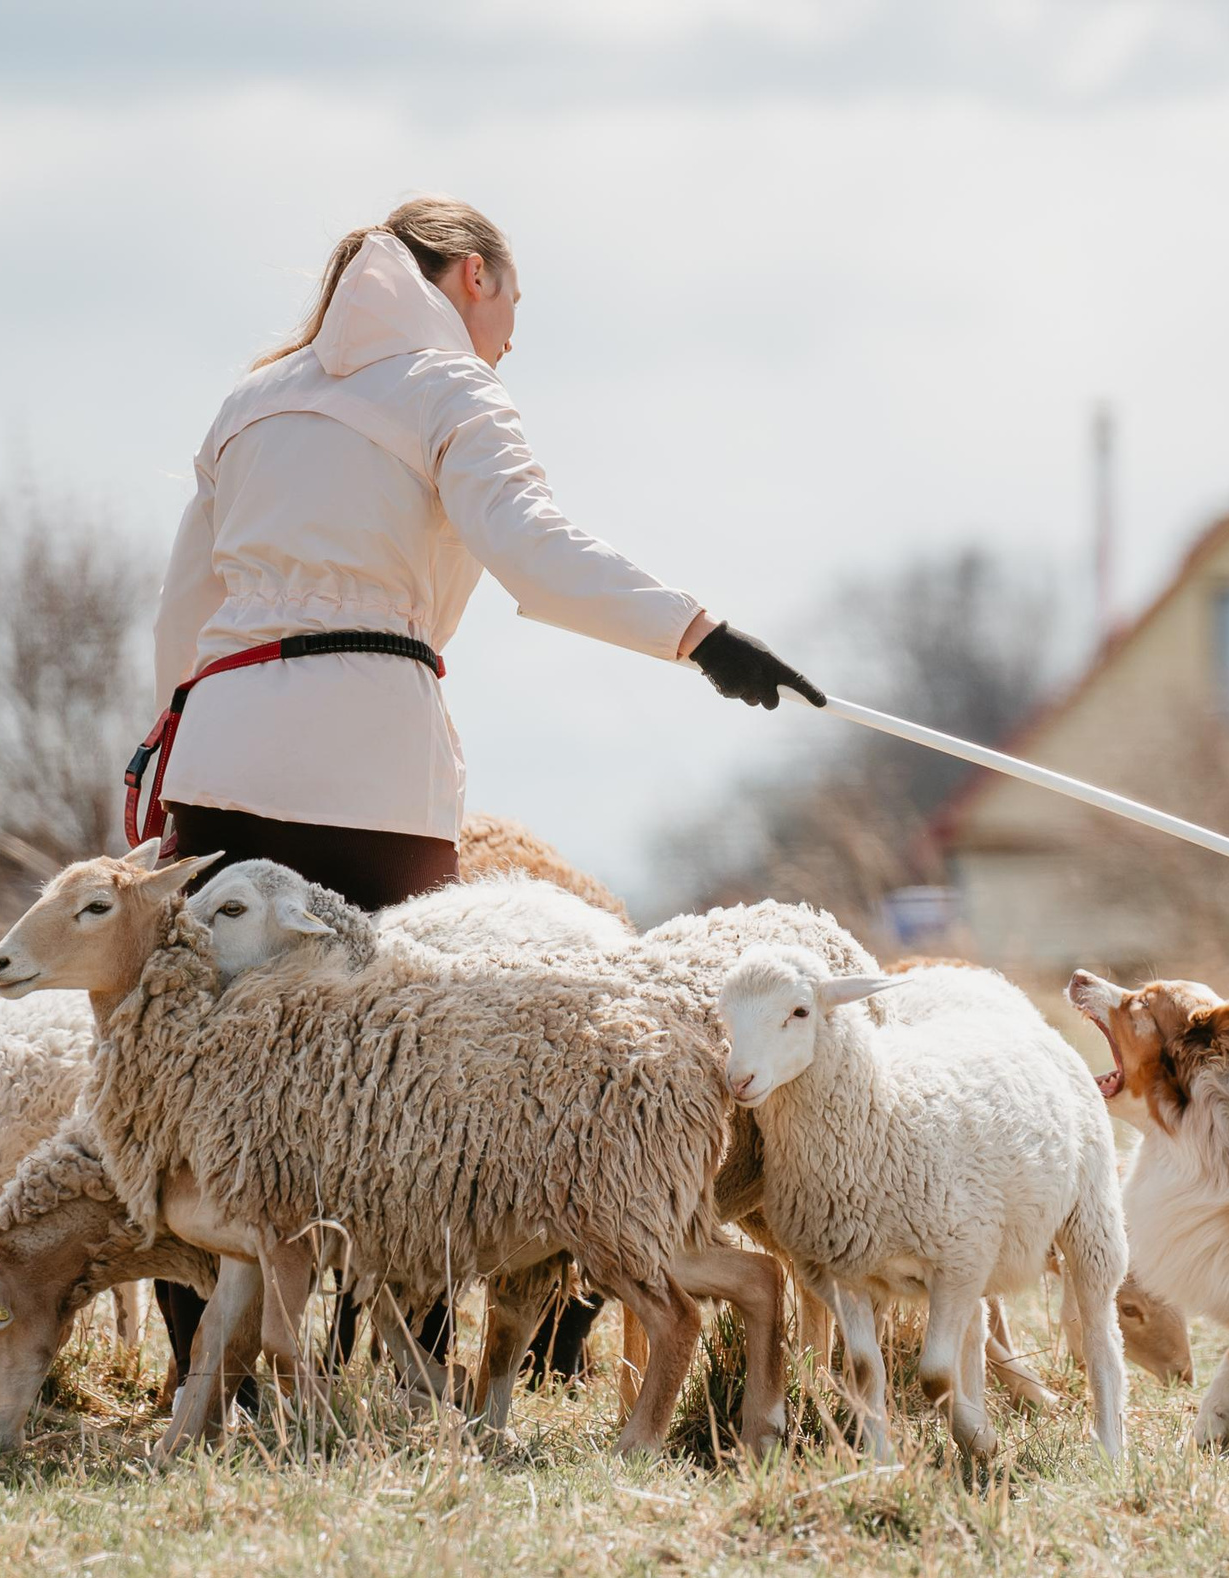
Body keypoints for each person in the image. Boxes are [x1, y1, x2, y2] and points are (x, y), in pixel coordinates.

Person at [143, 196, 822, 1391]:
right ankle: (404, 1375)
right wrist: (699, 635)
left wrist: (171, 746)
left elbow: (183, 610)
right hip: (369, 761)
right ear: (468, 276)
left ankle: (212, 1374)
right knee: (408, 1072)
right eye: (512, 301)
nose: (511, 334)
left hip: (221, 750)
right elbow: (534, 551)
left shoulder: (251, 400)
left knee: (201, 1064)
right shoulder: (450, 388)